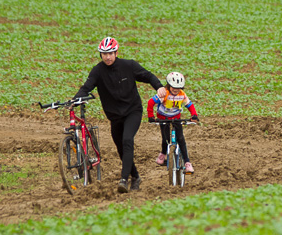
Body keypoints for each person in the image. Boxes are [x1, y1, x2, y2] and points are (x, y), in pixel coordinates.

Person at [73, 36, 167, 194]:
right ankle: (136, 176)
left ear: (116, 53)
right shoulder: (97, 71)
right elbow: (86, 87)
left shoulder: (128, 65)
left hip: (132, 111)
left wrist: (159, 87)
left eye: (110, 53)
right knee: (121, 148)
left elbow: (148, 76)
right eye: (104, 54)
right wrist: (75, 99)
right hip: (115, 117)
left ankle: (124, 179)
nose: (107, 57)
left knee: (127, 140)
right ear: (100, 55)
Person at [147, 71, 199, 174]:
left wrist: (194, 115)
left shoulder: (182, 95)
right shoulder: (164, 94)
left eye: (178, 88)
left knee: (180, 139)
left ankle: (187, 162)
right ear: (169, 85)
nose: (175, 90)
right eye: (173, 87)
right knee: (165, 138)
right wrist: (151, 116)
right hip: (163, 118)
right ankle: (163, 153)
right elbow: (150, 102)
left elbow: (189, 105)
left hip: (176, 118)